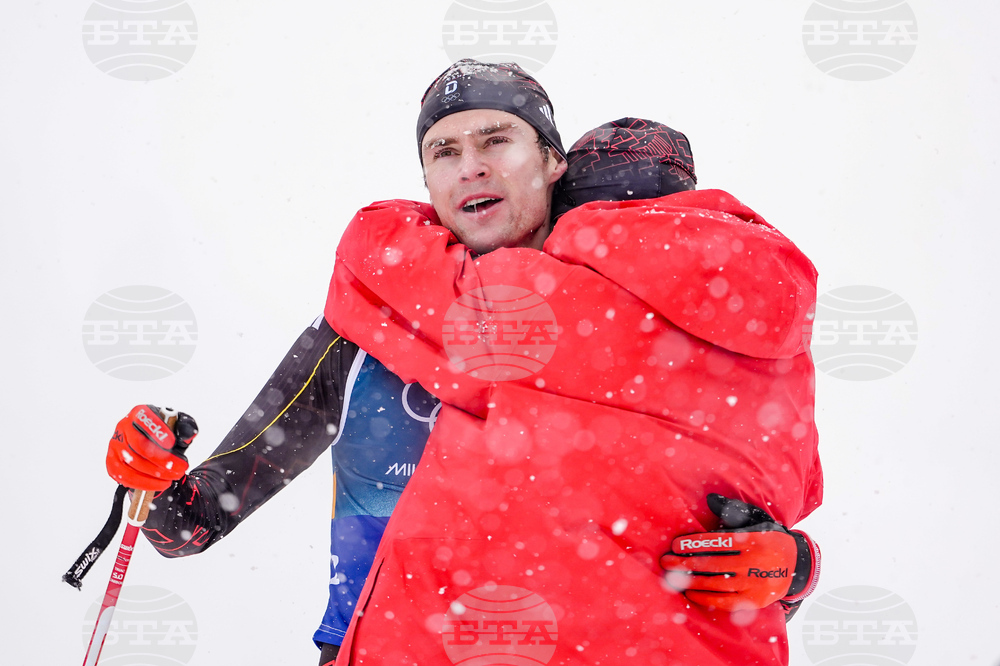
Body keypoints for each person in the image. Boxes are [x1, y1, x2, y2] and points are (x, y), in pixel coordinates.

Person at [102, 62, 816, 665]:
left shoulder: (657, 333)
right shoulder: (365, 331)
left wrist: (792, 566)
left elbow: (728, 507)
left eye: (496, 139)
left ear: (552, 162)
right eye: (443, 151)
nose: (469, 163)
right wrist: (152, 476)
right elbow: (191, 525)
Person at [324, 116, 822, 663]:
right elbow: (782, 494)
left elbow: (374, 255)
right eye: (445, 155)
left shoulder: (533, 304)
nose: (473, 170)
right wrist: (798, 563)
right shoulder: (778, 338)